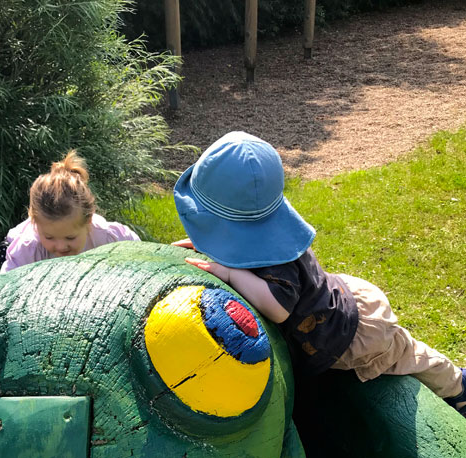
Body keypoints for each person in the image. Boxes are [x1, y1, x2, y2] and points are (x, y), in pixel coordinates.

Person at [172, 131, 466, 417]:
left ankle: (458, 386)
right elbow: (235, 244)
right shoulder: (256, 234)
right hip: (327, 297)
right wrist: (210, 249)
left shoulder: (277, 262)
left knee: (406, 354)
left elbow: (279, 309)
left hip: (351, 331)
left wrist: (231, 274)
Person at [0, 150, 139, 273]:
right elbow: (7, 288)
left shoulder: (108, 237)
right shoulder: (28, 249)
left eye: (70, 238)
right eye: (49, 237)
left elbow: (140, 252)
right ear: (35, 224)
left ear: (88, 221)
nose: (61, 247)